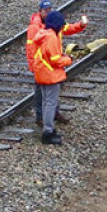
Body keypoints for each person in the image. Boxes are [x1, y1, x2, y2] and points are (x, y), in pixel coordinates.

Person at [26, 0, 85, 126]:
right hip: (42, 65)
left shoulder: (52, 23)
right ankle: (41, 118)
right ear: (40, 11)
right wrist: (33, 66)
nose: (48, 12)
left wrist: (80, 25)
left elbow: (66, 28)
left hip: (49, 66)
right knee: (41, 94)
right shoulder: (35, 27)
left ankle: (53, 114)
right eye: (45, 10)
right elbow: (31, 48)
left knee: (51, 94)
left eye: (49, 10)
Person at [29, 10, 73, 145]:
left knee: (45, 101)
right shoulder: (52, 37)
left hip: (41, 73)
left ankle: (47, 129)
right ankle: (48, 132)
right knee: (50, 103)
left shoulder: (43, 34)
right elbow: (56, 60)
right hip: (50, 74)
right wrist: (68, 59)